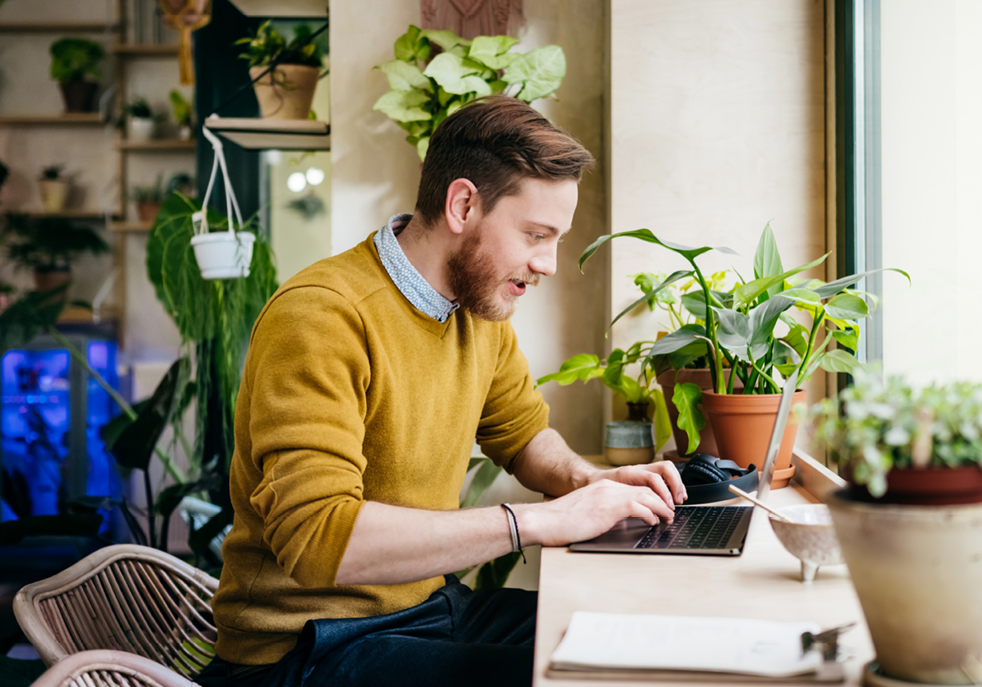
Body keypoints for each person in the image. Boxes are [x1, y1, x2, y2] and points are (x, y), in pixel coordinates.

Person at [197, 96, 686, 687]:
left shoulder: (478, 310)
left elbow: (523, 434)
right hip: (303, 649)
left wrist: (589, 483)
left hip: (426, 610)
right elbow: (320, 538)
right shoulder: (322, 316)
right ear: (462, 205)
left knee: (634, 645)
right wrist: (535, 522)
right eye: (536, 234)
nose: (549, 263)